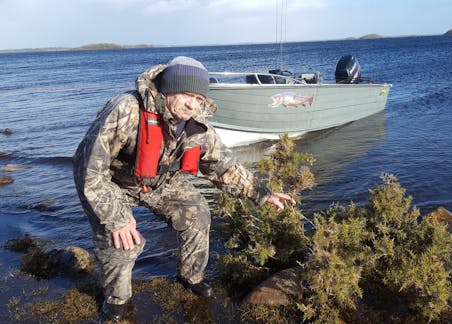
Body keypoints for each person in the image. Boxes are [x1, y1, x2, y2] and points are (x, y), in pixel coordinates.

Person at [73, 56, 295, 321]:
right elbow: (89, 170)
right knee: (122, 242)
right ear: (168, 89)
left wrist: (263, 193)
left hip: (160, 183)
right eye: (187, 95)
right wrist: (116, 219)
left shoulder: (197, 124)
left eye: (199, 98)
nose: (192, 104)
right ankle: (117, 302)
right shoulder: (126, 110)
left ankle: (191, 277)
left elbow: (223, 166)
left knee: (197, 211)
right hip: (113, 185)